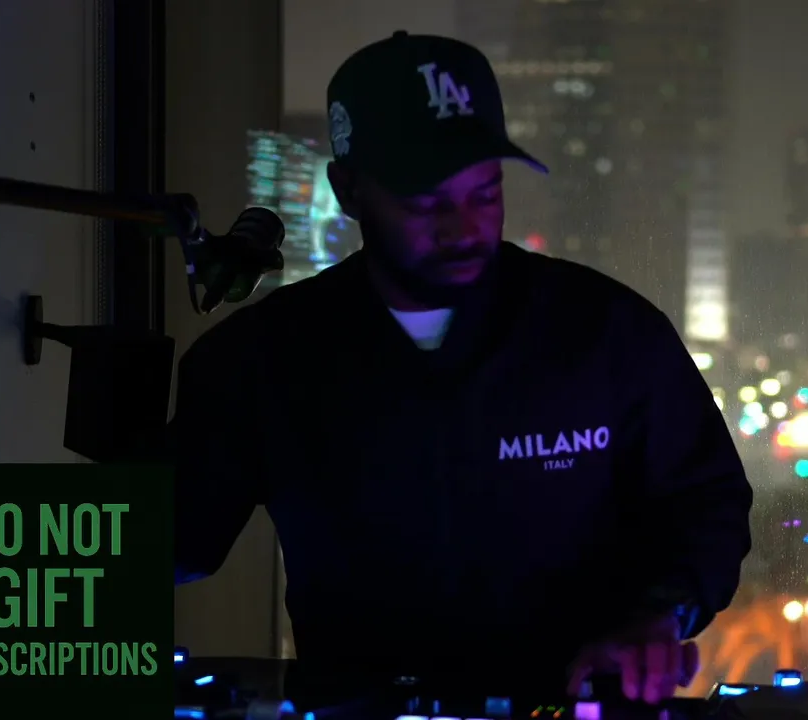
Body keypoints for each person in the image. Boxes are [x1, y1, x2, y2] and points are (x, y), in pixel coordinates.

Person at [171, 31, 753, 704]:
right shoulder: (264, 357)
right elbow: (176, 537)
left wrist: (660, 613)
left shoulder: (607, 331)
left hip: (578, 705)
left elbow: (705, 502)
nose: (464, 228)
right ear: (348, 190)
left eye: (485, 193)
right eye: (427, 202)